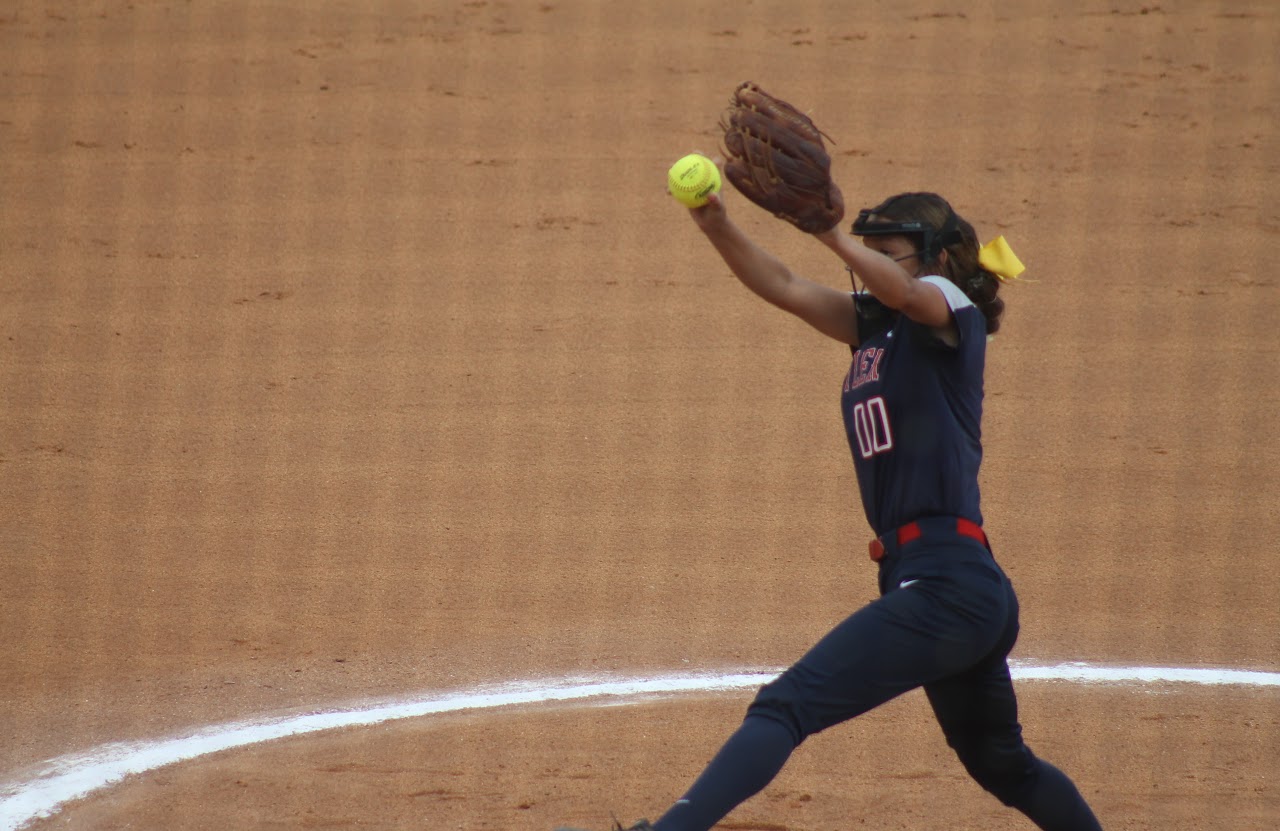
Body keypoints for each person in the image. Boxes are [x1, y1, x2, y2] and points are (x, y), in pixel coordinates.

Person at [557, 187, 1103, 831]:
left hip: (947, 585)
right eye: (866, 254)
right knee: (1005, 766)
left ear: (936, 259)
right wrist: (716, 222)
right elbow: (785, 286)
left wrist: (829, 235)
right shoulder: (877, 328)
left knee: (784, 708)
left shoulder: (950, 307)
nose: (869, 268)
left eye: (887, 254)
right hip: (949, 584)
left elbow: (906, 294)